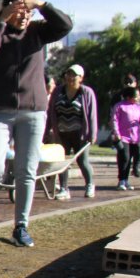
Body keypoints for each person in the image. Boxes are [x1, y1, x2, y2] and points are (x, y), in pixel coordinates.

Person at [0, 0, 73, 248]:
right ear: (7, 9)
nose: (26, 15)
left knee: (27, 170)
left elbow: (65, 25)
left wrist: (41, 4)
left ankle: (21, 226)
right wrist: (1, 21)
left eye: (29, 11)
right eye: (20, 10)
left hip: (33, 111)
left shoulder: (38, 32)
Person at [44, 64, 98, 199]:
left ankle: (90, 184)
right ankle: (64, 188)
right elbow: (51, 112)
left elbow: (92, 115)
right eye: (68, 74)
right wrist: (46, 131)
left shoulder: (86, 92)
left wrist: (92, 134)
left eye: (74, 75)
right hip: (62, 133)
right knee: (62, 161)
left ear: (81, 78)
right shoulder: (58, 91)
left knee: (82, 161)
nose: (70, 78)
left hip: (80, 134)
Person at [111, 86, 140, 191]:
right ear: (128, 97)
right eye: (136, 96)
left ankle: (126, 180)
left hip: (135, 137)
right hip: (123, 137)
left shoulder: (138, 107)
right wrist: (116, 132)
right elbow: (114, 120)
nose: (138, 98)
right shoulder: (119, 106)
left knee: (133, 157)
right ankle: (121, 180)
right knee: (124, 158)